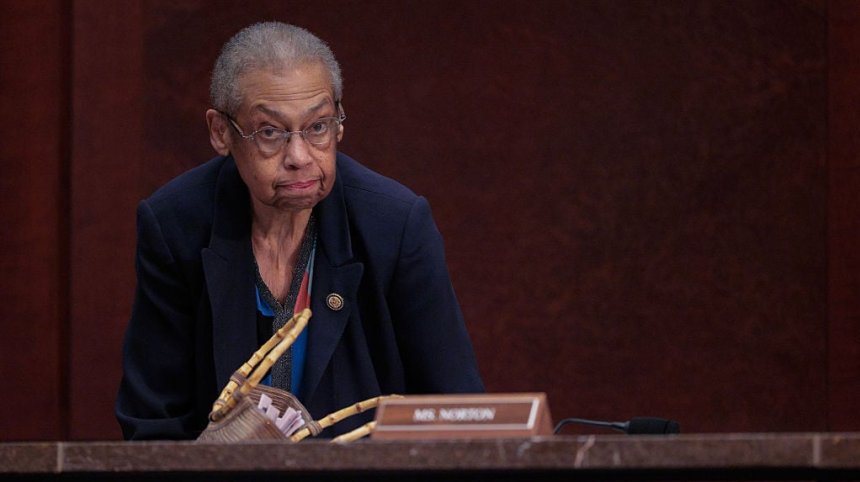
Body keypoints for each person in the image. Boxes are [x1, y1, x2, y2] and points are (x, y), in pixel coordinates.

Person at [115, 21, 484, 440]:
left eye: (318, 127)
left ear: (339, 123)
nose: (299, 156)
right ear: (220, 133)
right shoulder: (176, 225)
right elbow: (153, 422)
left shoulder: (395, 225)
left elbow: (457, 411)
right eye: (270, 132)